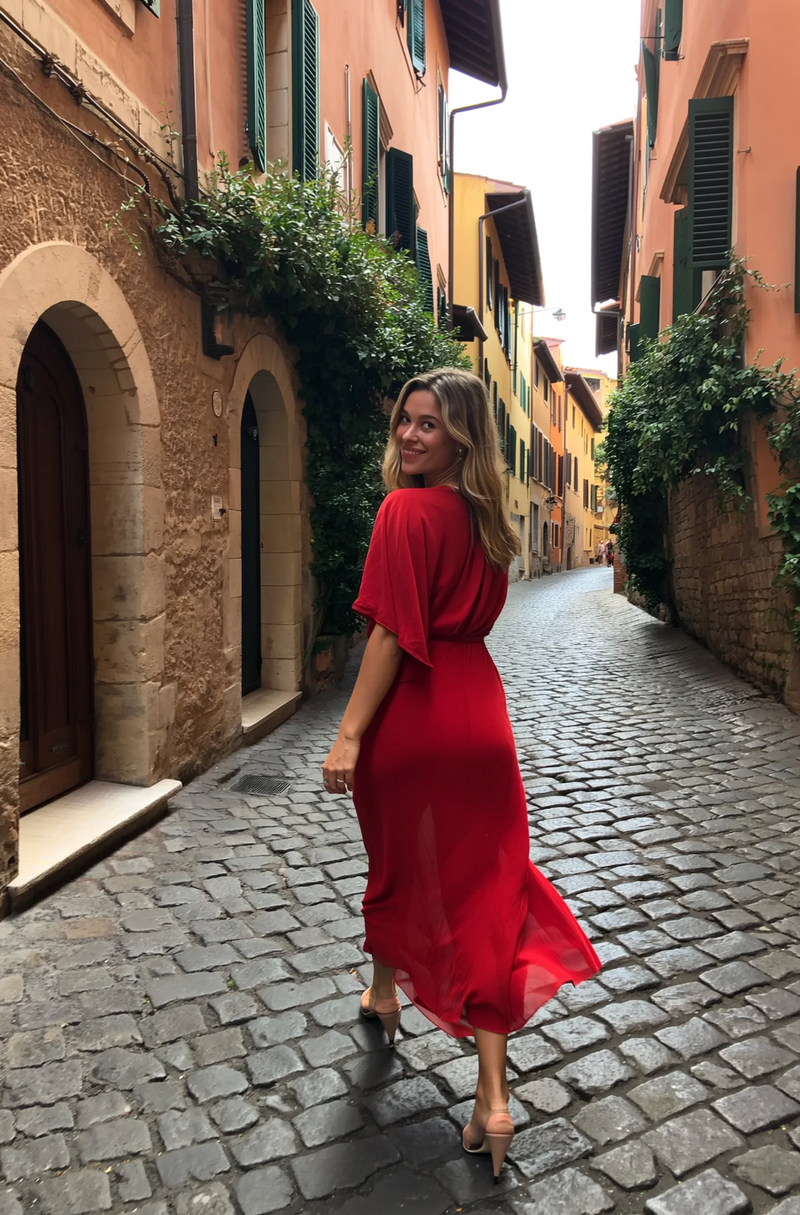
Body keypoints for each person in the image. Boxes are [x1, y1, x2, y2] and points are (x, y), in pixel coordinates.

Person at [322, 369, 600, 1183]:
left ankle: (395, 1000)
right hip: (481, 715)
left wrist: (346, 735)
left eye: (430, 426)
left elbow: (386, 636)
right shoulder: (488, 523)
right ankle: (490, 1092)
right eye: (406, 421)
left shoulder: (403, 510)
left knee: (399, 864)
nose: (410, 436)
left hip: (412, 715)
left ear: (461, 438)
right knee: (487, 887)